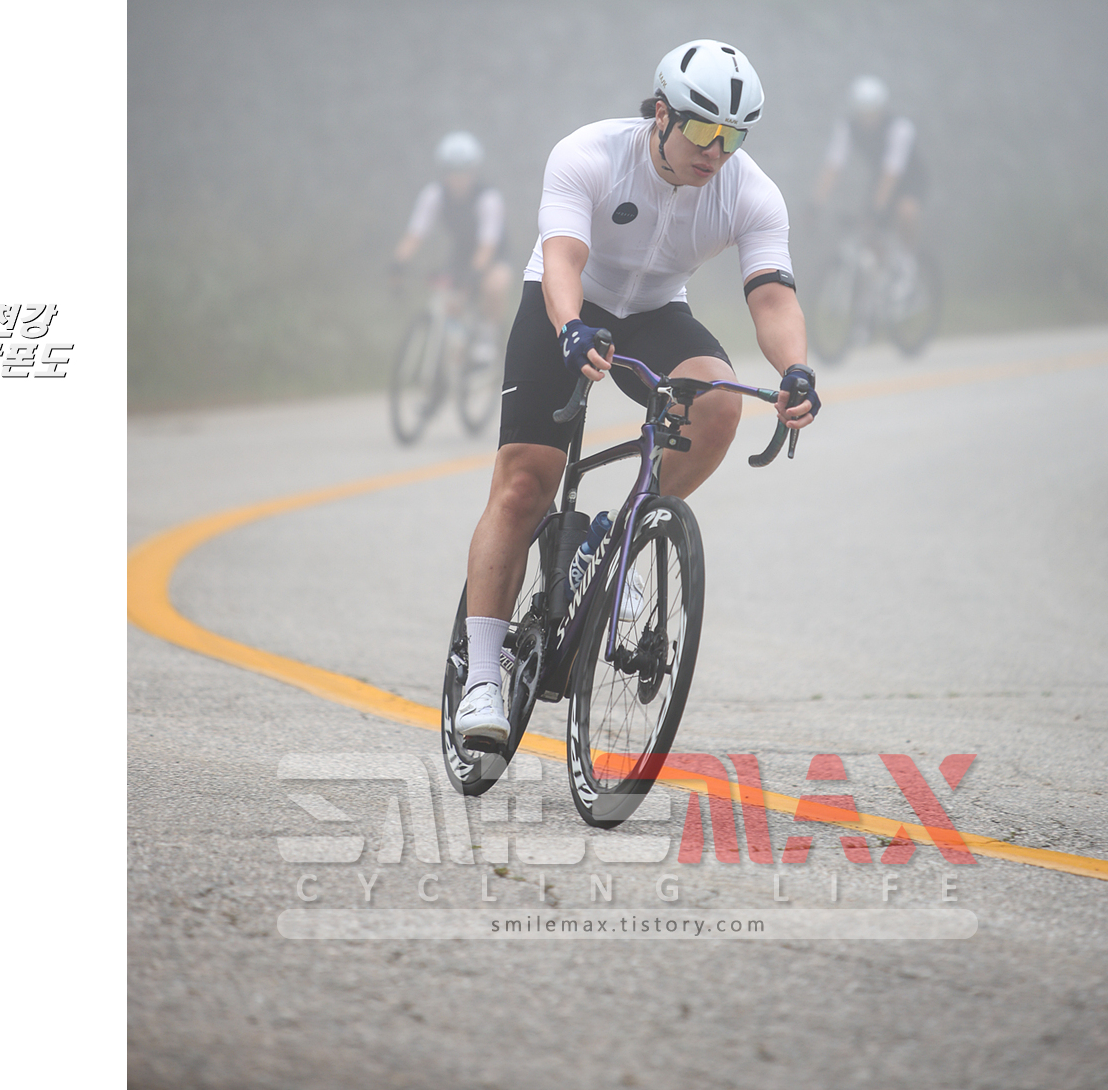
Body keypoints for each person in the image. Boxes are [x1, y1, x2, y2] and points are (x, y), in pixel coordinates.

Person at [454, 39, 821, 746]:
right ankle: (481, 680)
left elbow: (773, 296)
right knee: (525, 485)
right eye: (704, 129)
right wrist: (570, 327)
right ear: (661, 113)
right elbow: (562, 259)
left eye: (733, 136)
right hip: (565, 303)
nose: (716, 150)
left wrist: (796, 371)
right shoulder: (588, 154)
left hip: (654, 313)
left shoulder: (751, 192)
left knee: (719, 401)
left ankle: (619, 536)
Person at [391, 131, 512, 335]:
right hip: (461, 254)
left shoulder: (489, 199)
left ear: (474, 171)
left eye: (464, 171)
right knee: (447, 302)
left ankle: (489, 336)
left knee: (494, 285)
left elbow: (487, 246)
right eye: (452, 171)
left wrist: (473, 278)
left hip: (494, 255)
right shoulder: (434, 195)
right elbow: (415, 235)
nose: (458, 178)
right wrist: (398, 263)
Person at [810, 74, 927, 245]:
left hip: (911, 180)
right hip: (879, 177)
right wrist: (815, 204)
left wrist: (876, 210)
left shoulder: (900, 128)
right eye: (862, 112)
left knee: (906, 210)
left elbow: (891, 172)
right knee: (868, 229)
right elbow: (833, 166)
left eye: (872, 112)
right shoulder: (847, 127)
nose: (867, 119)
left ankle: (909, 254)